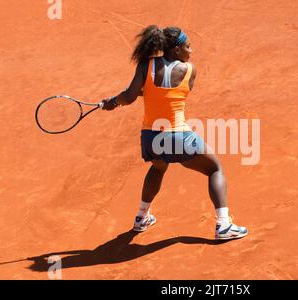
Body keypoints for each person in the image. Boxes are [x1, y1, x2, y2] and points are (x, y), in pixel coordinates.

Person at [101, 25, 247, 240]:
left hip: (150, 138)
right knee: (215, 168)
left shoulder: (145, 65)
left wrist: (112, 102)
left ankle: (142, 216)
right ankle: (224, 225)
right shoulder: (189, 70)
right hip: (177, 137)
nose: (191, 51)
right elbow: (171, 93)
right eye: (188, 46)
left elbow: (131, 96)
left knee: (159, 167)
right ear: (177, 50)